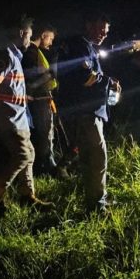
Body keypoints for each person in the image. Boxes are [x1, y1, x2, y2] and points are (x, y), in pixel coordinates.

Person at [0, 14, 53, 214]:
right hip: (8, 119)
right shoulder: (5, 56)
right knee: (22, 155)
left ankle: (27, 196)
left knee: (29, 154)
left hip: (18, 118)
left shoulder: (14, 56)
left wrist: (23, 98)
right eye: (29, 34)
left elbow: (8, 88)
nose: (30, 38)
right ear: (21, 33)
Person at [56, 11, 116, 213]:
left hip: (88, 111)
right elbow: (86, 78)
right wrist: (109, 82)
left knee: (89, 158)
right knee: (97, 155)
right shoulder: (79, 47)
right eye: (100, 29)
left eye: (106, 32)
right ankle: (97, 204)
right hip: (85, 112)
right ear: (88, 24)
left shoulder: (86, 46)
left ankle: (95, 199)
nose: (103, 34)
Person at [23, 24, 58, 176]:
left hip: (39, 97)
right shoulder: (32, 52)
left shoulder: (34, 51)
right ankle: (45, 167)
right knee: (45, 132)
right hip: (40, 98)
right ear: (44, 35)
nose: (51, 42)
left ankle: (44, 164)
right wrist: (49, 75)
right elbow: (33, 78)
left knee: (43, 132)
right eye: (50, 38)